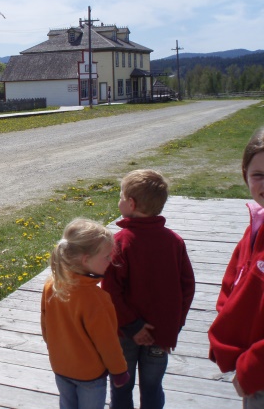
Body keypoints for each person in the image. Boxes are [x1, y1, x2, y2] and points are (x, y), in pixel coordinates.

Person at [102, 169, 195, 409]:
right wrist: (175, 325)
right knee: (153, 388)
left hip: (126, 334)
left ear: (131, 204)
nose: (120, 201)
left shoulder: (121, 242)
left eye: (121, 196)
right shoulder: (174, 241)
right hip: (160, 334)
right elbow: (187, 288)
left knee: (121, 385)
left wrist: (133, 326)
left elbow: (111, 291)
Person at [41, 218, 130, 409]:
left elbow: (46, 327)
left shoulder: (51, 285)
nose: (110, 261)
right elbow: (108, 342)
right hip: (89, 376)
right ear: (85, 259)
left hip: (60, 367)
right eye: (106, 257)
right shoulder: (95, 298)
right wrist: (119, 370)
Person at [209, 127, 264, 407]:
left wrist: (250, 369)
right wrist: (225, 327)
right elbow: (233, 282)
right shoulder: (256, 226)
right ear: (245, 175)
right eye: (258, 175)